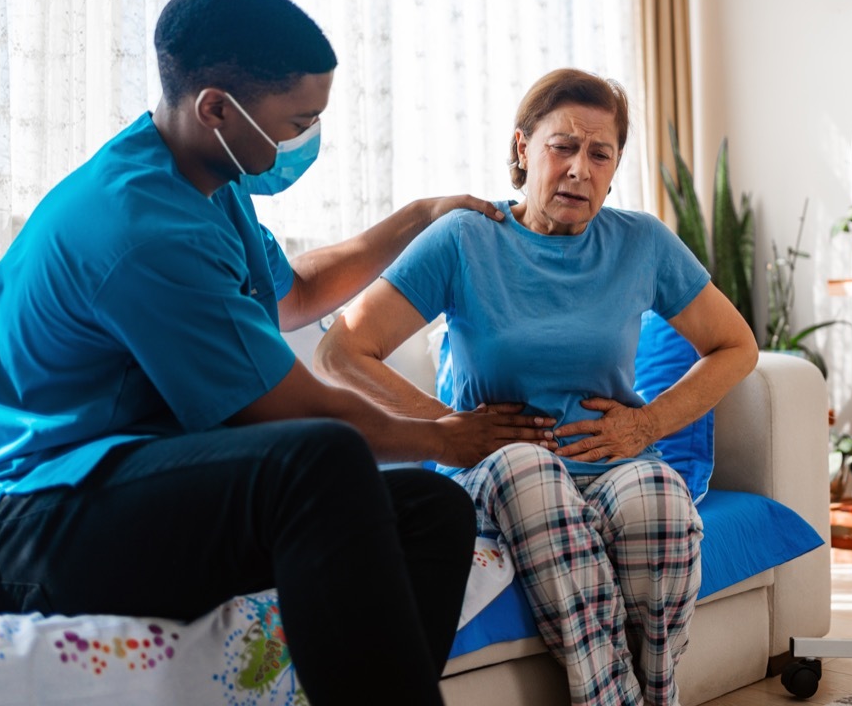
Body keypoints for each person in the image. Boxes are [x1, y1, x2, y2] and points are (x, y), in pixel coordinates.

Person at [0, 0, 557, 706]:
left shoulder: (207, 175)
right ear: (218, 108)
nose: (306, 139)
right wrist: (447, 437)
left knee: (432, 511)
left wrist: (418, 216)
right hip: (42, 516)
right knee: (316, 459)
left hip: (126, 478)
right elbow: (287, 415)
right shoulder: (139, 229)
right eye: (296, 123)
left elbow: (290, 293)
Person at [315, 68, 759, 706]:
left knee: (661, 500)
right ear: (524, 149)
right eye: (563, 146)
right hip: (499, 469)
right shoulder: (468, 236)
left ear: (614, 167)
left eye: (600, 153)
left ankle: (658, 693)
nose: (581, 168)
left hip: (613, 462)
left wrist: (647, 425)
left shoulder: (643, 243)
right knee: (532, 472)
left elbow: (736, 345)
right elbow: (341, 350)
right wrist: (445, 428)